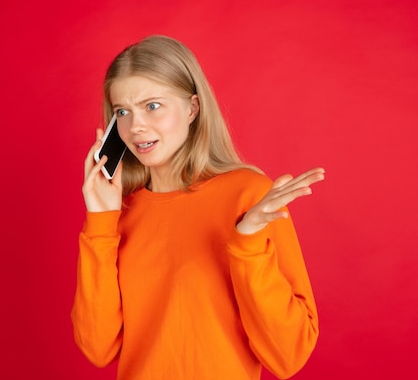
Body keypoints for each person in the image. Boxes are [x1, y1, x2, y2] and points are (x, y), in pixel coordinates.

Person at [71, 35, 324, 380]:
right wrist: (101, 223)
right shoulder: (121, 212)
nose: (136, 126)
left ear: (193, 108)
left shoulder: (248, 195)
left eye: (153, 106)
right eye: (122, 112)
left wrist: (247, 242)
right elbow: (97, 348)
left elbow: (289, 354)